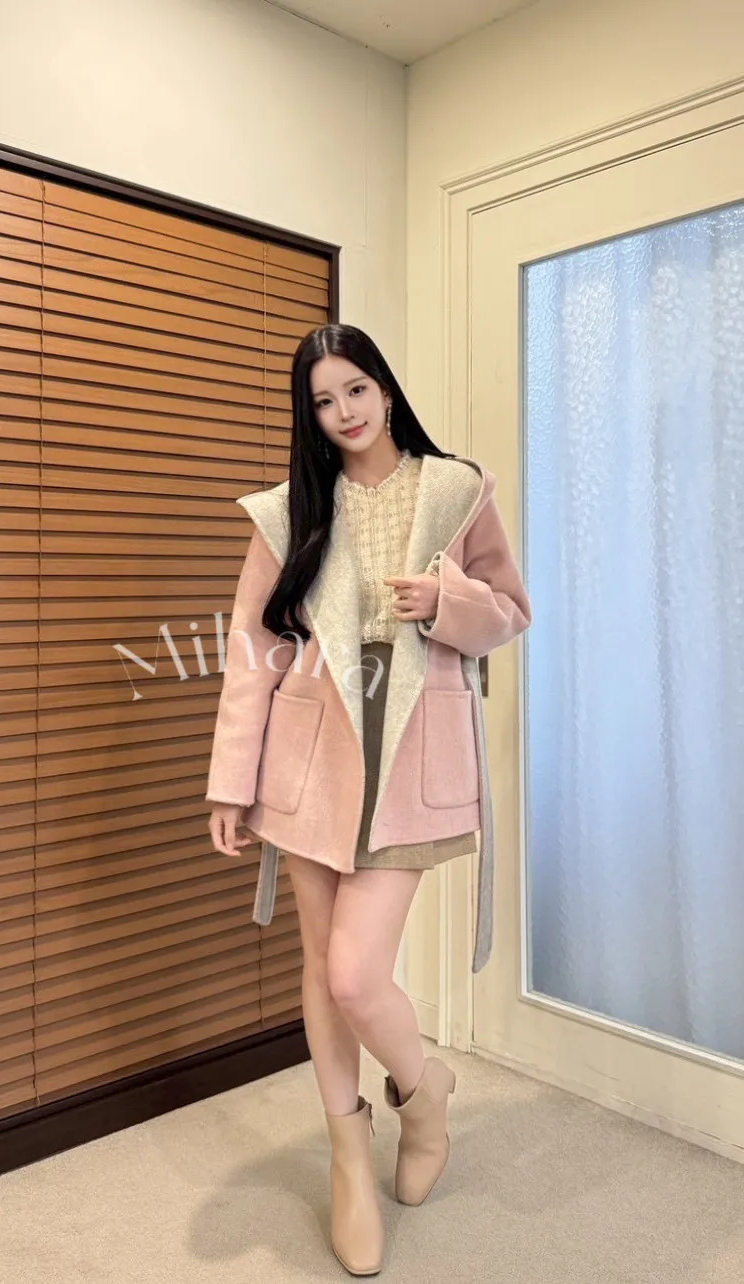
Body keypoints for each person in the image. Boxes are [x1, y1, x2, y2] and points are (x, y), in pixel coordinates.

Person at [206, 323, 531, 1276]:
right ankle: (349, 1153)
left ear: (385, 391)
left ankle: (423, 1095)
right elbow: (253, 651)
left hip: (410, 761)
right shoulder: (290, 514)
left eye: (355, 389)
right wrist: (231, 782)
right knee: (320, 967)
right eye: (323, 400)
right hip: (310, 763)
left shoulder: (456, 490)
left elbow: (510, 611)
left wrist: (447, 604)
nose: (343, 412)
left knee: (355, 975)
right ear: (308, 416)